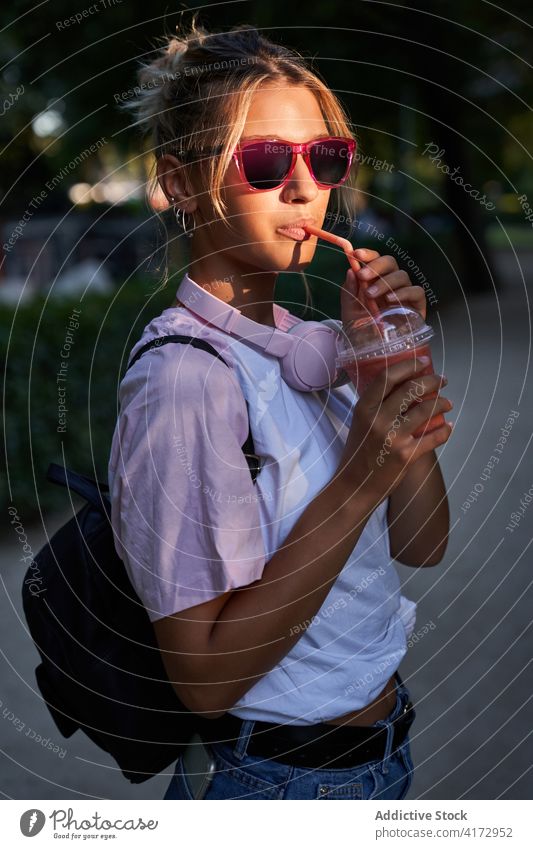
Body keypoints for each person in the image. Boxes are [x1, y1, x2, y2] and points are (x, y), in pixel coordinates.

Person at [108, 17, 453, 800]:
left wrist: (383, 365)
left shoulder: (319, 346)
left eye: (325, 158)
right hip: (274, 781)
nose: (304, 188)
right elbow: (203, 680)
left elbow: (424, 542)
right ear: (177, 182)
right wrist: (360, 478)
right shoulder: (184, 383)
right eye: (263, 161)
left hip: (381, 752)